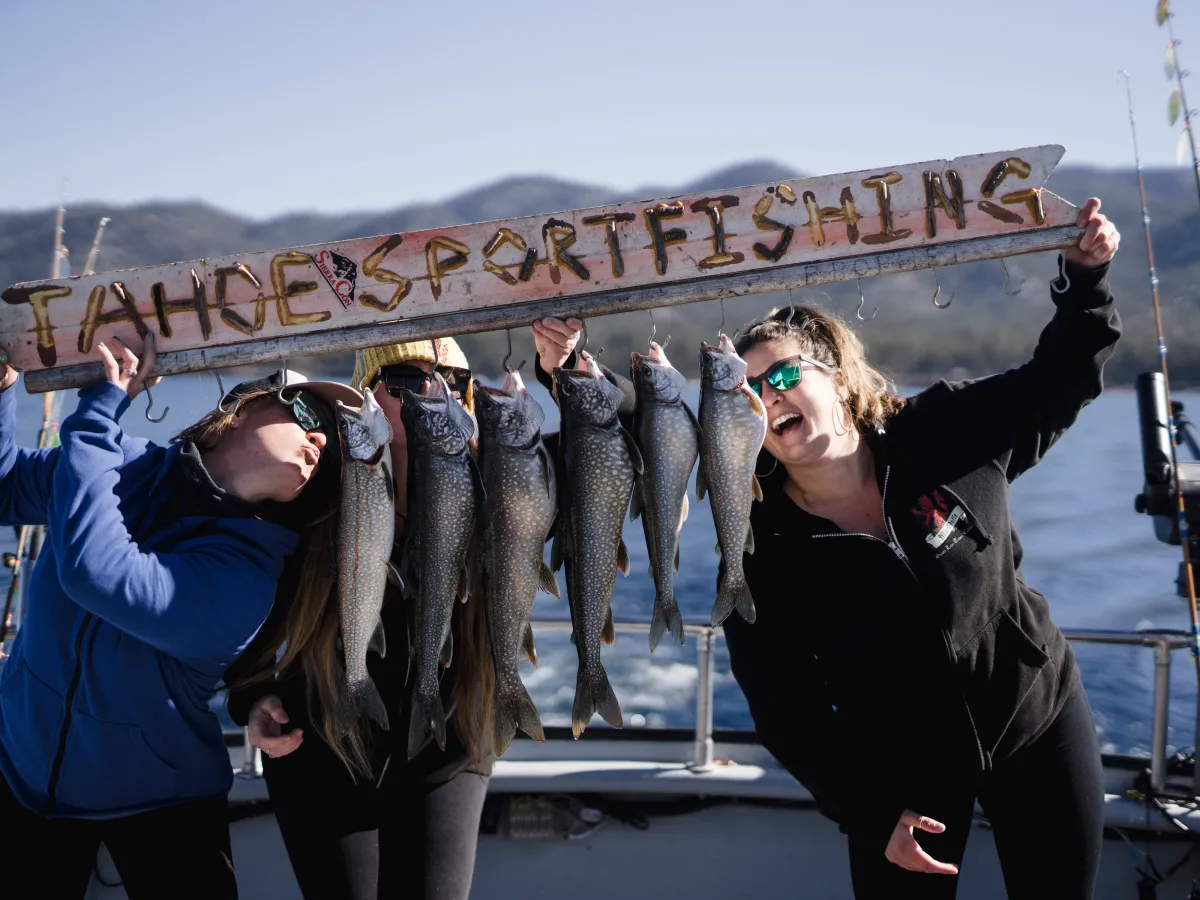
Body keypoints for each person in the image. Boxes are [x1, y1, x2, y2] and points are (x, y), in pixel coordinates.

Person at [722, 198, 1121, 899]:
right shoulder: (759, 544)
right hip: (899, 771)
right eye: (750, 394)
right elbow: (784, 706)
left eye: (782, 376)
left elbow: (1063, 376)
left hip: (1035, 718)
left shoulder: (945, 432)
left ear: (837, 379)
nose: (770, 398)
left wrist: (1085, 277)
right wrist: (869, 813)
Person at [0, 331, 358, 899]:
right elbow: (4, 487)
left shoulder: (248, 578)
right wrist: (3, 389)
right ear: (240, 411)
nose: (320, 435)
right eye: (307, 411)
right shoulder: (125, 461)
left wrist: (97, 411)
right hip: (20, 774)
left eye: (332, 439)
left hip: (164, 806)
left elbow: (98, 574)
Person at [226, 336, 496, 900]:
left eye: (452, 383)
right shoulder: (310, 484)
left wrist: (565, 365)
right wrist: (248, 697)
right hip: (318, 745)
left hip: (446, 745)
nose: (433, 395)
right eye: (408, 382)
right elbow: (252, 601)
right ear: (367, 395)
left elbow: (614, 430)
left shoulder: (496, 479)